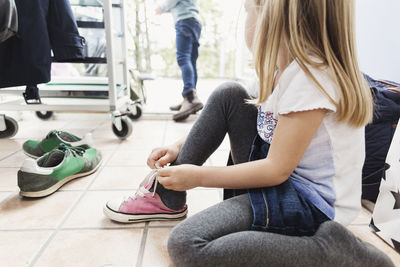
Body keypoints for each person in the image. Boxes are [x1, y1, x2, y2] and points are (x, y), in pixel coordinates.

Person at [104, 0, 394, 265]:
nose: (246, 22)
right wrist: (183, 148)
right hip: (284, 181)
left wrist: (197, 177)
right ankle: (168, 197)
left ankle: (332, 250)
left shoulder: (311, 79)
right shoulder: (283, 68)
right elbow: (240, 116)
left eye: (248, 11)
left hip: (312, 206)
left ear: (273, 19)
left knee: (187, 244)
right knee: (230, 94)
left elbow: (276, 170)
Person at [155, 0, 204, 122]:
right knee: (191, 61)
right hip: (195, 21)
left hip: (184, 21)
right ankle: (190, 98)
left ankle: (190, 97)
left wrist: (160, 8)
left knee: (183, 58)